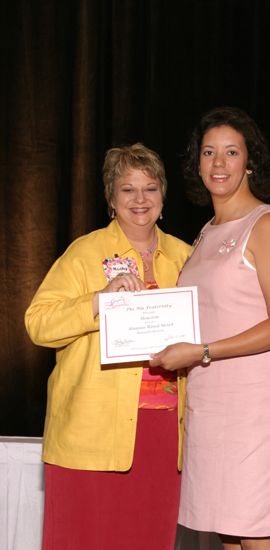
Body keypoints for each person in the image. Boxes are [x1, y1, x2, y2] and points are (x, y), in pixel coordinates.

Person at [149, 107, 270, 550]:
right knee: (226, 527)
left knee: (254, 526)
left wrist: (200, 352)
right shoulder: (206, 232)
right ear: (197, 164)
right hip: (213, 395)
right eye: (209, 152)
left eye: (231, 152)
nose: (219, 163)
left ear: (249, 162)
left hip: (258, 397)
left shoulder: (267, 225)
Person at [24, 143, 192, 550]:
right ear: (111, 199)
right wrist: (98, 300)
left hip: (165, 435)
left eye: (149, 188)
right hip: (91, 432)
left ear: (163, 197)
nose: (139, 200)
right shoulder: (85, 253)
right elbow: (38, 324)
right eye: (127, 189)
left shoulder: (188, 256)